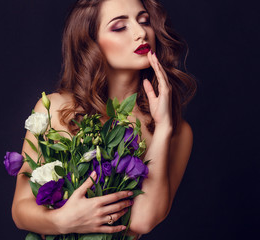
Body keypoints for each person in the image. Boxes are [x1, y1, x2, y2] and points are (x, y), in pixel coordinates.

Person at [11, 0, 196, 238]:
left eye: (144, 21)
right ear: (91, 42)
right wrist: (63, 221)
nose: (141, 33)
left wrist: (162, 128)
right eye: (120, 27)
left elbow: (141, 221)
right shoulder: (56, 109)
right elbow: (20, 208)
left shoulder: (177, 132)